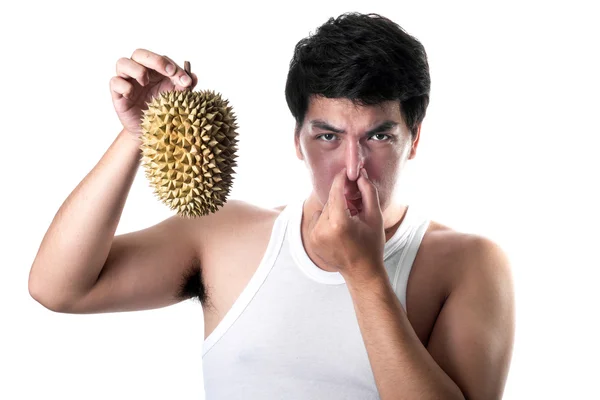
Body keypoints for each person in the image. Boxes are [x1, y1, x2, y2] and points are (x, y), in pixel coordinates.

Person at [28, 12, 515, 400]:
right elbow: (57, 288)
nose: (352, 166)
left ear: (413, 141)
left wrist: (366, 276)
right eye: (328, 136)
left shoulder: (468, 264)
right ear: (297, 141)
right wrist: (136, 134)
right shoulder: (223, 234)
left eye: (379, 136)